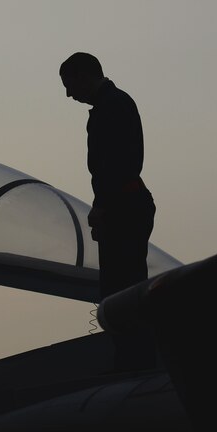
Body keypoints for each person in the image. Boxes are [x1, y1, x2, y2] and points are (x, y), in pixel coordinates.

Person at [60, 52, 155, 299]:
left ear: (83, 76)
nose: (69, 95)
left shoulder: (112, 105)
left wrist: (103, 206)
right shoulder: (115, 103)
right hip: (126, 206)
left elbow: (116, 164)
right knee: (125, 289)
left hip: (124, 209)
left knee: (121, 294)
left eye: (69, 85)